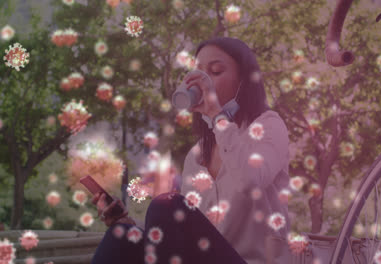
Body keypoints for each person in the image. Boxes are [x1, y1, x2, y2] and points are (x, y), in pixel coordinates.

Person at [91, 36, 292, 264]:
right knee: (123, 236)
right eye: (199, 73)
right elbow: (184, 235)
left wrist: (217, 115)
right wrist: (125, 221)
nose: (202, 83)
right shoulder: (196, 156)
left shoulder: (269, 125)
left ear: (243, 81)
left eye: (215, 72)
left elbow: (250, 181)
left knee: (167, 203)